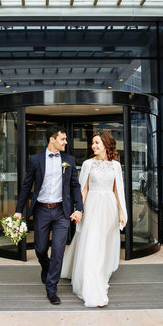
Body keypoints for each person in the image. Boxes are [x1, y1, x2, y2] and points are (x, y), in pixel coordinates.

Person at [14, 126, 84, 305]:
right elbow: (26, 185)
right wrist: (18, 210)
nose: (66, 142)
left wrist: (79, 208)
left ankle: (51, 289)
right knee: (39, 248)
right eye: (63, 139)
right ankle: (45, 267)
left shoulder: (69, 160)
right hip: (41, 210)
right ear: (52, 139)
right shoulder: (36, 159)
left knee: (59, 251)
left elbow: (75, 186)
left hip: (62, 211)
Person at [61, 130, 128, 308]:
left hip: (109, 208)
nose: (94, 146)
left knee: (104, 246)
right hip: (92, 207)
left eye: (97, 143)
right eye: (93, 143)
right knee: (92, 245)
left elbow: (118, 191)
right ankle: (92, 288)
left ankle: (100, 275)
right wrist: (79, 210)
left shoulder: (115, 166)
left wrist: (122, 212)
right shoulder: (88, 164)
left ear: (106, 144)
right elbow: (82, 190)